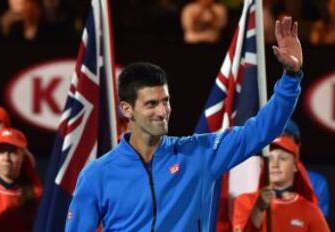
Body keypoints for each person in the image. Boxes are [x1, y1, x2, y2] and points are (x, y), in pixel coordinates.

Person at [66, 16, 303, 231]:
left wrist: (291, 76)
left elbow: (262, 130)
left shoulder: (199, 154)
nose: (162, 111)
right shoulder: (97, 175)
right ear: (127, 109)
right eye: (151, 104)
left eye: (165, 101)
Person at [232, 136, 330, 231]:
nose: (275, 164)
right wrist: (258, 208)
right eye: (269, 159)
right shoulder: (245, 202)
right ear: (262, 165)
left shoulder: (310, 210)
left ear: (295, 166)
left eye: (282, 158)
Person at [0, 127, 43, 231]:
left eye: (13, 152)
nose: (6, 158)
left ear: (23, 156)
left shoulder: (36, 194)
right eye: (1, 151)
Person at [284, 119, 330, 218]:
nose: (282, 145)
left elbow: (317, 223)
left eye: (286, 138)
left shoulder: (316, 182)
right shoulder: (256, 175)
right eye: (276, 140)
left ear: (298, 145)